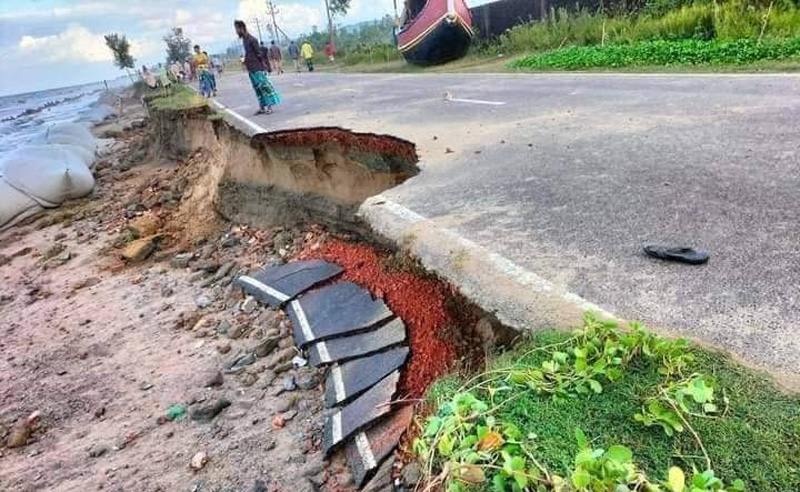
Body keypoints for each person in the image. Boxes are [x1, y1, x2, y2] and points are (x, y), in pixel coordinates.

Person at [235, 20, 281, 115]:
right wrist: (245, 61)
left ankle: (269, 107)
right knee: (257, 88)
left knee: (264, 87)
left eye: (237, 29)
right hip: (251, 68)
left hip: (257, 68)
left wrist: (265, 66)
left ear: (242, 28)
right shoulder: (244, 40)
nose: (236, 32)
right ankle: (262, 107)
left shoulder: (252, 40)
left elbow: (259, 54)